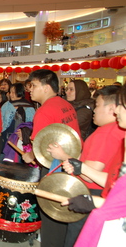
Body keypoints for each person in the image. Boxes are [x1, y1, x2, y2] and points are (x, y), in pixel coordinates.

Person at [47, 85, 123, 246]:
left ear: (111, 108)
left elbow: (90, 174)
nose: (94, 110)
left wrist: (64, 156)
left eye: (98, 105)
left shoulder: (106, 134)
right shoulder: (118, 131)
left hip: (91, 192)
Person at [22, 69, 81, 247]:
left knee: (51, 216)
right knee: (63, 215)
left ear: (46, 87)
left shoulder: (44, 111)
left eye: (34, 85)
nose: (30, 89)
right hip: (70, 165)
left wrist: (29, 155)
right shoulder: (65, 104)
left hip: (53, 168)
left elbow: (40, 149)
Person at [0, 83, 35, 157]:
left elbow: (31, 123)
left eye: (14, 92)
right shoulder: (6, 105)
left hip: (21, 138)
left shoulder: (28, 107)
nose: (11, 94)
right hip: (6, 136)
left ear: (19, 92)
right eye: (10, 92)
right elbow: (1, 118)